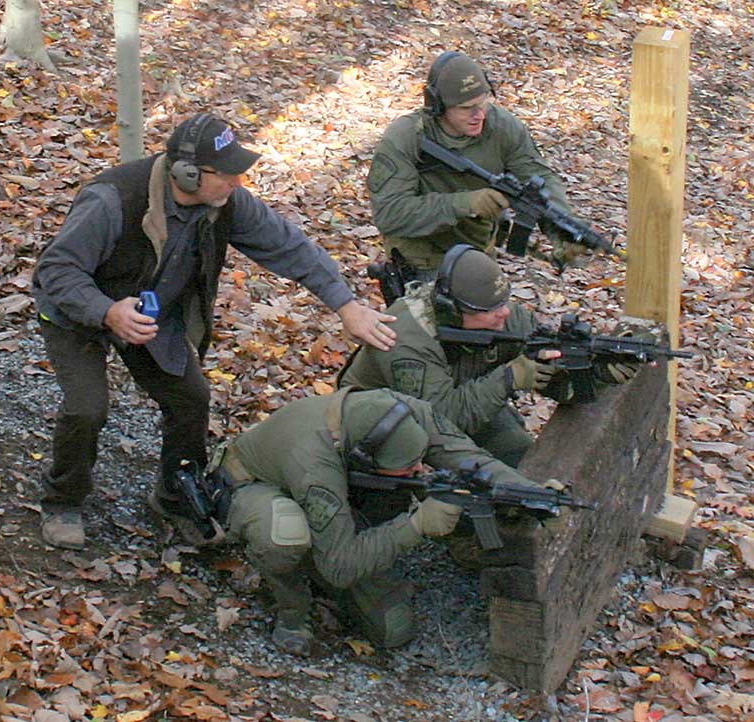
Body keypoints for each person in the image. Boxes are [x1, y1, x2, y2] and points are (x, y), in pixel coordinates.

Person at [32, 112, 398, 550]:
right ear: (187, 174)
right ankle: (63, 501)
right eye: (227, 175)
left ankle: (174, 495)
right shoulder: (112, 199)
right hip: (77, 309)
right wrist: (107, 311)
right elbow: (56, 270)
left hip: (151, 312)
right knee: (87, 407)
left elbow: (289, 245)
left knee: (190, 399)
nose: (237, 184)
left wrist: (347, 305)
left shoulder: (227, 203)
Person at [212, 385, 556, 656]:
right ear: (366, 458)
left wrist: (528, 492)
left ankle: (331, 534)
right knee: (284, 534)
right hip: (252, 487)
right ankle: (293, 612)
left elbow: (466, 455)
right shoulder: (314, 467)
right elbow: (338, 568)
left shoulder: (402, 412)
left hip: (335, 488)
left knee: (393, 630)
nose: (419, 470)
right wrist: (416, 526)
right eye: (408, 467)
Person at [339, 244, 638, 468]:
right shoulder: (406, 339)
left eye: (504, 303)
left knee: (521, 460)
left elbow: (554, 376)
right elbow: (442, 422)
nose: (504, 314)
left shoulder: (501, 314)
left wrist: (597, 373)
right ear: (452, 310)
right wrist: (511, 378)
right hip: (379, 420)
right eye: (490, 311)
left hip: (464, 396)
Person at [367, 50, 587, 280]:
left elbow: (538, 176)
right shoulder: (406, 137)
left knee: (496, 313)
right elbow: (388, 214)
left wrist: (563, 226)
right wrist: (466, 204)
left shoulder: (501, 127)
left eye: (483, 104)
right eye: (465, 108)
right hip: (422, 261)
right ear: (438, 106)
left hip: (478, 255)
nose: (479, 115)